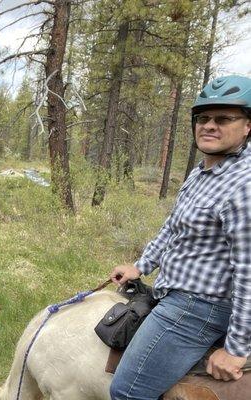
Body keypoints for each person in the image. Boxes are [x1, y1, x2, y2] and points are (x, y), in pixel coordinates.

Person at [109, 75, 251, 400]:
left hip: (199, 308)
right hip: (174, 292)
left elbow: (248, 272)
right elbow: (173, 227)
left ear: (247, 126)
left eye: (224, 118)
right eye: (203, 118)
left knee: (126, 392)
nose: (209, 125)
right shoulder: (201, 171)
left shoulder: (244, 184)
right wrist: (141, 265)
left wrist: (237, 348)